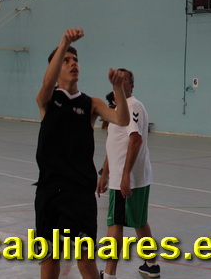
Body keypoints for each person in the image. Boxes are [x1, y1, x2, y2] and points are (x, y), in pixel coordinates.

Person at [34, 28, 130, 279]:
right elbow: (47, 83)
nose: (73, 63)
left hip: (79, 193)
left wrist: (118, 88)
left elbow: (122, 119)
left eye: (75, 59)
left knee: (86, 260)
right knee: (49, 259)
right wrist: (64, 41)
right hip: (49, 190)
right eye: (66, 60)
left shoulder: (91, 103)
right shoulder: (47, 99)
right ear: (56, 68)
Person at [98, 68, 159, 279]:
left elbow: (135, 139)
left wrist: (124, 176)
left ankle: (109, 274)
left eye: (124, 79)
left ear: (131, 85)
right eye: (118, 78)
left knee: (115, 224)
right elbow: (115, 144)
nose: (120, 81)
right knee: (139, 221)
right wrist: (104, 174)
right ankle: (151, 265)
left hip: (127, 179)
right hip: (131, 177)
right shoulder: (119, 109)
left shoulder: (133, 106)